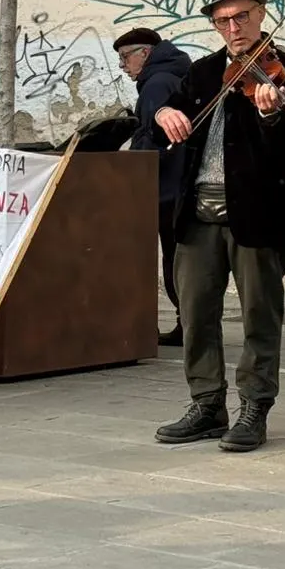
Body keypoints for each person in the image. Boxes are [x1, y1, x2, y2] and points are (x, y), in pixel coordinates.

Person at [152, 0, 285, 453]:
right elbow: (169, 111)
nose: (234, 28)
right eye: (223, 20)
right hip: (198, 214)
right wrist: (163, 114)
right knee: (196, 311)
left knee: (260, 314)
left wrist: (267, 112)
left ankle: (255, 407)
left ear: (261, 14)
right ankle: (207, 405)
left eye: (242, 16)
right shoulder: (201, 73)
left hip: (256, 213)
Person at [116, 28, 193, 348]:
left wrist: (133, 169)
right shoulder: (174, 75)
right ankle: (187, 323)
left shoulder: (156, 84)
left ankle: (188, 323)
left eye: (125, 57)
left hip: (164, 187)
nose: (122, 65)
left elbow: (153, 140)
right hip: (178, 185)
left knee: (173, 258)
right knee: (180, 257)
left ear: (145, 53)